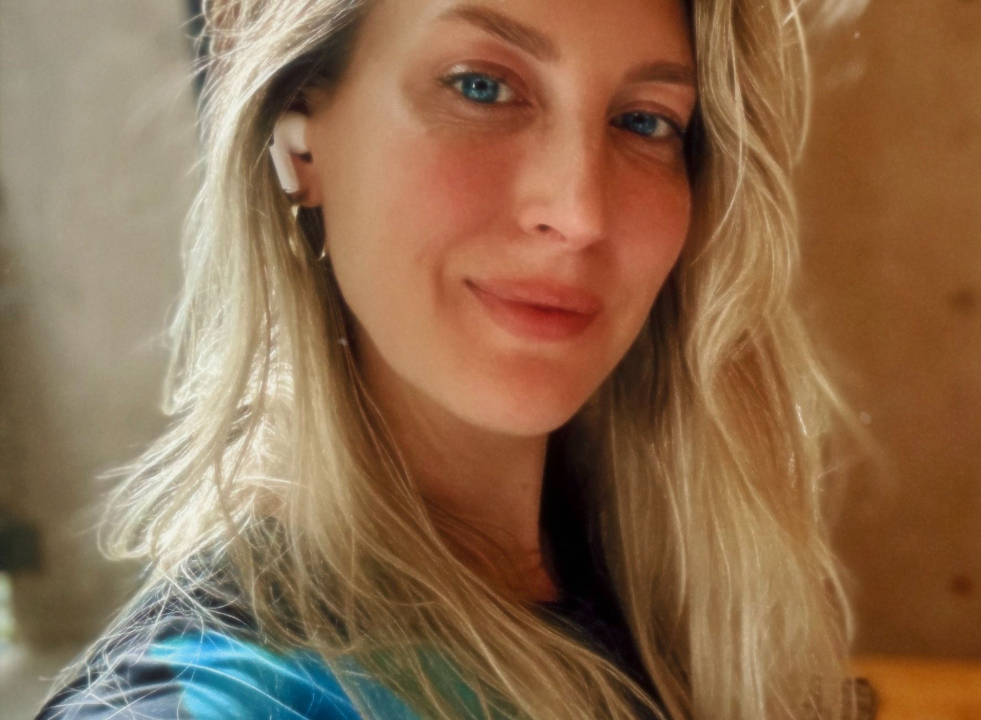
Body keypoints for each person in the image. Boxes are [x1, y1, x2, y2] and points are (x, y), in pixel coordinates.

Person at [34, 0, 872, 718]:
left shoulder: (686, 614)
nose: (579, 210)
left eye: (644, 121)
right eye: (481, 86)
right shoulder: (224, 695)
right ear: (300, 139)